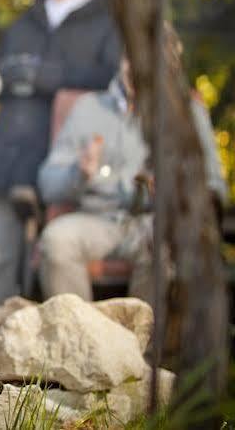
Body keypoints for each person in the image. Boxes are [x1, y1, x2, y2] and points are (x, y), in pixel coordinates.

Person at [0, 0, 121, 354]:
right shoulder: (30, 18)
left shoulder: (110, 24)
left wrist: (52, 77)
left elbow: (113, 87)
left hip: (68, 158)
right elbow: (0, 71)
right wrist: (15, 76)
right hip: (10, 152)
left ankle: (60, 358)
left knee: (54, 259)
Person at [38, 50, 228, 302]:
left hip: (156, 221)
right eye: (133, 55)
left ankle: (143, 339)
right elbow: (47, 183)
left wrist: (181, 192)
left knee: (164, 245)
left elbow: (214, 185)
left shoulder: (188, 112)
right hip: (98, 218)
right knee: (56, 240)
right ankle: (81, 335)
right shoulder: (88, 107)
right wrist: (79, 173)